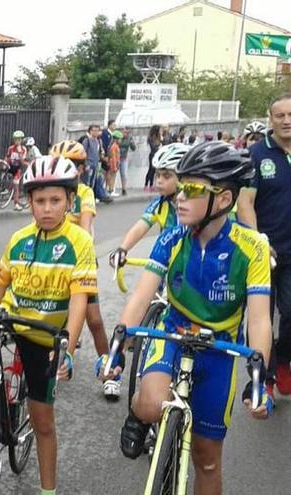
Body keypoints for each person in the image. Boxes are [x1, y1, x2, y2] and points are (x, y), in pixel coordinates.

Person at [113, 142, 272, 494]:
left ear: (225, 200)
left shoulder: (253, 247)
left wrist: (259, 378)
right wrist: (117, 348)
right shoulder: (172, 238)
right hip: (172, 336)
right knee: (153, 403)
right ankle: (139, 414)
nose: (180, 197)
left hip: (219, 351)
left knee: (208, 459)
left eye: (194, 189)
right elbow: (142, 295)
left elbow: (260, 321)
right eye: (181, 186)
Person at [0, 155, 93, 495]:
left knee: (43, 422)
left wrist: (67, 350)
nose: (46, 208)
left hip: (45, 334)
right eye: (39, 201)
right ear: (28, 201)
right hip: (10, 319)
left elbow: (78, 302)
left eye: (55, 200)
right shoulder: (19, 239)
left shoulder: (79, 242)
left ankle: (48, 491)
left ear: (69, 201)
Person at [237, 93, 291, 394]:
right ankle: (265, 376)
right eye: (280, 115)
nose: (286, 121)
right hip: (263, 252)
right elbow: (245, 202)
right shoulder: (256, 154)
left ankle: (283, 359)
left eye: (290, 115)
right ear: (271, 119)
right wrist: (258, 241)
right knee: (261, 317)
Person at [49, 141, 111, 398]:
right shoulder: (50, 193)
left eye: (72, 164)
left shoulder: (84, 193)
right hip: (55, 260)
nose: (65, 168)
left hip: (80, 258)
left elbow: (85, 226)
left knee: (93, 319)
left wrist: (79, 252)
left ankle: (109, 367)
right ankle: (61, 360)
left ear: (82, 168)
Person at [110, 143, 188, 271]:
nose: (159, 180)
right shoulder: (160, 204)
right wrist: (122, 249)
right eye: (157, 175)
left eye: (166, 176)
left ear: (184, 178)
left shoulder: (197, 205)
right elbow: (141, 227)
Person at [82, 124, 112, 203]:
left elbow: (99, 153)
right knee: (87, 183)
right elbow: (83, 153)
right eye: (93, 131)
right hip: (89, 165)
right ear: (90, 131)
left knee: (93, 183)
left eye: (97, 131)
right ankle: (85, 199)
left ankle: (91, 198)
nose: (95, 132)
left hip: (96, 165)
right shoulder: (87, 140)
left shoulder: (98, 141)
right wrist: (85, 164)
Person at [5, 130, 27, 211]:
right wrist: (4, 163)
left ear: (21, 140)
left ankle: (16, 203)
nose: (17, 141)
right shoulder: (11, 148)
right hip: (11, 166)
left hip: (18, 168)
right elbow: (7, 157)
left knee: (16, 186)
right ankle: (5, 189)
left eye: (19, 139)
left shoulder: (23, 149)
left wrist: (19, 152)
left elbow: (22, 161)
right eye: (15, 139)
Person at [117, 127, 136, 196]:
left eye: (127, 133)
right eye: (124, 132)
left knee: (124, 174)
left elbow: (133, 148)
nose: (125, 134)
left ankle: (124, 189)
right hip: (116, 157)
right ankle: (110, 189)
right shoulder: (118, 137)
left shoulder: (129, 138)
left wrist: (132, 143)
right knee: (112, 173)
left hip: (123, 158)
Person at [145, 125, 162, 192]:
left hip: (157, 155)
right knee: (150, 170)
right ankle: (146, 185)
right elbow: (153, 147)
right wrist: (158, 145)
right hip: (152, 155)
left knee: (154, 171)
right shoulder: (151, 138)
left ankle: (151, 185)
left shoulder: (158, 137)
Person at [105, 130, 121, 196]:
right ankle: (111, 190)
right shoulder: (114, 146)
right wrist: (115, 166)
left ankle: (111, 190)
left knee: (112, 177)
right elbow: (114, 157)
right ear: (116, 139)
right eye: (120, 139)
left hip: (114, 163)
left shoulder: (113, 145)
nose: (120, 140)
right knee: (112, 177)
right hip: (113, 164)